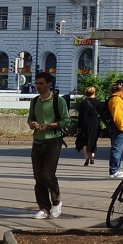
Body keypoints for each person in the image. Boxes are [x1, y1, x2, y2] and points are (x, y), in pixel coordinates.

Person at [27, 70, 68, 218]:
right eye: (37, 84)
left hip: (53, 141)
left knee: (48, 174)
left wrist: (50, 125)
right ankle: (44, 207)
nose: (38, 86)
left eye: (41, 83)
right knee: (38, 177)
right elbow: (30, 118)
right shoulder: (35, 101)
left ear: (49, 84)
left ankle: (56, 202)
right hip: (37, 141)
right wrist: (32, 124)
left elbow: (66, 120)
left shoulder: (59, 101)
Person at [106, 80, 123, 178]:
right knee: (117, 148)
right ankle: (114, 170)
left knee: (117, 148)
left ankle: (116, 169)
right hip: (118, 127)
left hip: (115, 126)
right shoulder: (117, 99)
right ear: (122, 88)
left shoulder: (115, 98)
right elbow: (118, 116)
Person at [75, 85, 103, 166]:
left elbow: (80, 116)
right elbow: (101, 114)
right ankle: (93, 156)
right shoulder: (98, 102)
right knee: (94, 140)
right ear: (94, 93)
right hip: (95, 123)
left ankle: (87, 157)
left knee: (85, 142)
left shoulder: (83, 103)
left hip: (85, 124)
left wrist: (78, 127)